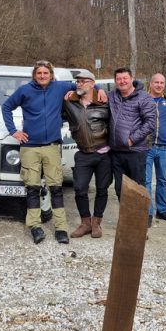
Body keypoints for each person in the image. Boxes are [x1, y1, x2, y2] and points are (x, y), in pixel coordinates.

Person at [2, 60, 76, 245]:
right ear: (34, 75)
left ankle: (61, 228)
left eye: (46, 73)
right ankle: (35, 226)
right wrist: (13, 131)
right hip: (30, 147)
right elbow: (6, 107)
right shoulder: (25, 90)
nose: (42, 76)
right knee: (32, 188)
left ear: (51, 74)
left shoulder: (59, 87)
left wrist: (97, 90)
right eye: (39, 73)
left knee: (56, 188)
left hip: (51, 146)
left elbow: (85, 85)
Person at [62, 70, 112, 239]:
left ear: (92, 83)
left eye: (84, 81)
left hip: (104, 154)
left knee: (102, 189)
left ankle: (96, 222)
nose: (79, 84)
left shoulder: (105, 101)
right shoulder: (69, 102)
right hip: (83, 154)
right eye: (78, 82)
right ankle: (85, 223)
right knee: (79, 188)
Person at [107, 67, 156, 203]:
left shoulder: (144, 98)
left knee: (137, 189)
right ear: (115, 81)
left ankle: (139, 222)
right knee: (120, 189)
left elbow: (150, 123)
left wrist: (131, 140)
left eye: (125, 78)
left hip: (135, 151)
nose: (122, 81)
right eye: (118, 79)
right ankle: (126, 222)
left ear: (132, 79)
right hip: (116, 152)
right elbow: (93, 93)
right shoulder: (112, 96)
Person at [144, 73, 166, 227]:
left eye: (162, 82)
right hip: (147, 147)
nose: (159, 85)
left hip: (164, 147)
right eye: (156, 82)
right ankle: (148, 212)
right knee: (146, 181)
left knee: (162, 180)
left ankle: (162, 210)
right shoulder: (143, 99)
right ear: (150, 84)